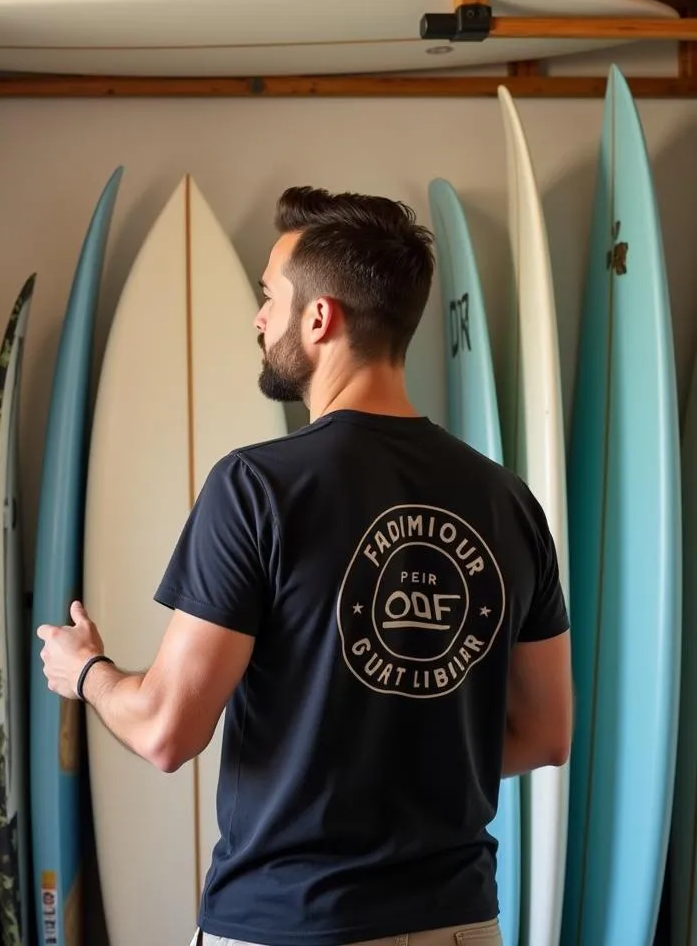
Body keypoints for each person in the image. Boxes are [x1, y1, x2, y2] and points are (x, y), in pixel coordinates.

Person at [37, 185, 573, 946]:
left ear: (319, 318)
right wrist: (403, 750)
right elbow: (547, 733)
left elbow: (165, 732)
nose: (259, 318)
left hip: (290, 923)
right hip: (460, 923)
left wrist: (84, 670)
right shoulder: (507, 501)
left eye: (268, 297)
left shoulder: (257, 488)